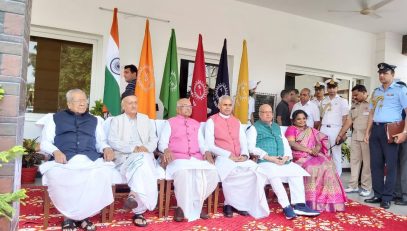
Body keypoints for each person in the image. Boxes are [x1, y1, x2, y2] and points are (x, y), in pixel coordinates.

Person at [39, 89, 115, 231]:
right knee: (59, 175)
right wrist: (55, 151)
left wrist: (106, 148)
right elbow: (45, 142)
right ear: (69, 104)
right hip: (65, 160)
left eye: (84, 100)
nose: (82, 103)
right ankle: (68, 217)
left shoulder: (95, 120)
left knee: (100, 174)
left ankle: (84, 216)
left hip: (89, 159)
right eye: (78, 100)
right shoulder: (55, 118)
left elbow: (101, 142)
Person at [247, 104, 320, 219]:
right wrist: (269, 157)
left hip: (281, 160)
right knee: (274, 175)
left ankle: (299, 205)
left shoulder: (277, 127)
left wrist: (286, 157)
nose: (268, 114)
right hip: (265, 161)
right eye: (264, 112)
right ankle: (286, 206)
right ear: (259, 114)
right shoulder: (253, 128)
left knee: (296, 172)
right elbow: (250, 147)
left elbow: (286, 144)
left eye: (270, 112)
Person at [205, 95, 269, 219]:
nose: (227, 107)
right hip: (222, 157)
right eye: (225, 105)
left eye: (230, 105)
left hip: (239, 157)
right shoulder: (211, 120)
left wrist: (245, 155)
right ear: (219, 106)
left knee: (256, 171)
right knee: (233, 171)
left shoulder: (237, 121)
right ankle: (228, 204)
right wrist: (229, 156)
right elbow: (210, 145)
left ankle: (243, 204)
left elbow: (243, 141)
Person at [107, 92, 163, 227]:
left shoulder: (146, 119)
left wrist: (145, 148)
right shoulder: (116, 120)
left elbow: (153, 140)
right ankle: (139, 212)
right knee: (143, 163)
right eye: (130, 103)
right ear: (123, 106)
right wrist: (133, 148)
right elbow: (113, 141)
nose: (134, 105)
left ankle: (132, 196)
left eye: (135, 102)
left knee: (143, 160)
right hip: (124, 157)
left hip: (144, 154)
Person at [158, 98, 218, 222]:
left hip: (196, 158)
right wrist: (165, 150)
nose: (188, 108)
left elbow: (202, 143)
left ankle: (197, 203)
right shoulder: (170, 122)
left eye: (190, 106)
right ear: (177, 109)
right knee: (183, 174)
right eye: (185, 106)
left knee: (213, 173)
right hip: (177, 158)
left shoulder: (196, 123)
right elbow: (162, 142)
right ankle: (182, 208)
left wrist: (206, 151)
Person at [364, 63, 407, 209]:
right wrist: (367, 132)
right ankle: (378, 194)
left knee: (391, 165)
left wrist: (404, 132)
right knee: (375, 164)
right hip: (376, 130)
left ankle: (388, 197)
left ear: (392, 74)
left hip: (392, 130)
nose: (382, 75)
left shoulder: (401, 90)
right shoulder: (376, 91)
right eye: (380, 73)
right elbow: (371, 113)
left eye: (385, 73)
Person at [285, 110, 347, 212]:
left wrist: (317, 149)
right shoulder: (291, 129)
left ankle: (329, 200)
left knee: (328, 166)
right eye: (299, 119)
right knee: (312, 168)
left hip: (314, 153)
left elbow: (319, 142)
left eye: (304, 118)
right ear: (293, 120)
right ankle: (311, 200)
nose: (302, 121)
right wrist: (308, 150)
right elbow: (292, 143)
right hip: (299, 155)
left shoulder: (311, 129)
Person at [336, 85, 372, 197]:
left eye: (356, 95)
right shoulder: (354, 105)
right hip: (356, 136)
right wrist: (341, 134)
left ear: (364, 92)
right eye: (353, 96)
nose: (354, 97)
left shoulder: (372, 103)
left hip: (368, 137)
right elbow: (349, 121)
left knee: (367, 163)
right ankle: (353, 185)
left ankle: (366, 187)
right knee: (354, 161)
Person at [319, 78, 349, 176]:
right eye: (330, 88)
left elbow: (345, 118)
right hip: (324, 128)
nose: (332, 90)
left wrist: (342, 133)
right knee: (324, 153)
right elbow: (321, 117)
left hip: (336, 129)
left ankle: (337, 177)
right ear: (327, 89)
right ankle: (325, 175)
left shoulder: (342, 101)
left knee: (336, 153)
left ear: (337, 88)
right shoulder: (323, 101)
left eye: (334, 87)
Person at [395, 81, 407, 206]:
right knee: (396, 165)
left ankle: (405, 195)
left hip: (405, 136)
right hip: (395, 136)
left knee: (404, 166)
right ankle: (396, 193)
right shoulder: (396, 105)